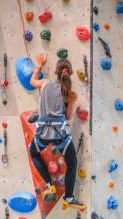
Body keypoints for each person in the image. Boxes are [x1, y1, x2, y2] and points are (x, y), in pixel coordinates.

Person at [29, 53, 85, 210]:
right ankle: (68, 197)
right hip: (60, 136)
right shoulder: (70, 94)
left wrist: (40, 64)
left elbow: (32, 81)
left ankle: (50, 185)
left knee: (33, 153)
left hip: (42, 135)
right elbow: (67, 117)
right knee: (72, 163)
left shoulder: (45, 83)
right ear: (70, 74)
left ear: (56, 72)